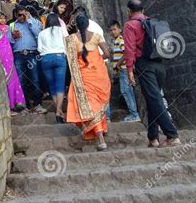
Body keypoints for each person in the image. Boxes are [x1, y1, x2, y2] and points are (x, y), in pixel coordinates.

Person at [124, 0, 180, 148]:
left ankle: (172, 135)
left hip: (144, 65)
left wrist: (129, 69)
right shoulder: (153, 22)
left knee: (154, 99)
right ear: (143, 10)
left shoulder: (130, 25)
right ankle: (153, 137)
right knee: (152, 99)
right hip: (159, 63)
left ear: (129, 11)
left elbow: (129, 50)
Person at [65, 13, 111, 150]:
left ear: (77, 26)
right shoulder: (97, 36)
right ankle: (100, 136)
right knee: (97, 105)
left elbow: (71, 61)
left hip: (83, 76)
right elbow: (107, 53)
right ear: (88, 24)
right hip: (98, 74)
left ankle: (100, 135)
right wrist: (97, 58)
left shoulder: (72, 38)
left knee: (91, 105)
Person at [7, 6, 46, 113]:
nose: (22, 17)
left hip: (32, 54)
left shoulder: (35, 22)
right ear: (15, 15)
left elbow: (39, 34)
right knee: (21, 81)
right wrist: (13, 37)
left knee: (35, 79)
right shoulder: (12, 25)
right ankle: (25, 105)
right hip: (18, 55)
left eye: (24, 14)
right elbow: (8, 42)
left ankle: (38, 104)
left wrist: (29, 22)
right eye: (20, 15)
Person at [0, 12, 27, 115]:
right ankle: (10, 106)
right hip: (3, 59)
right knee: (7, 80)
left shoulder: (0, 30)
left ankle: (15, 104)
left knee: (12, 79)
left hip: (9, 59)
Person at [108, 20, 140, 122]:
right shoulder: (116, 41)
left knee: (126, 91)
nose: (113, 32)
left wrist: (118, 64)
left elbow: (126, 53)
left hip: (124, 69)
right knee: (126, 91)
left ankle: (134, 114)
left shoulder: (121, 40)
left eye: (115, 29)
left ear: (120, 29)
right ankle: (134, 114)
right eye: (111, 30)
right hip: (122, 70)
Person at [38, 14, 67, 123]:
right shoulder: (62, 31)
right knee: (60, 85)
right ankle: (59, 112)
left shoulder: (41, 33)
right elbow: (67, 44)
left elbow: (39, 49)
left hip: (46, 59)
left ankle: (58, 111)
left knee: (52, 86)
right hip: (60, 57)